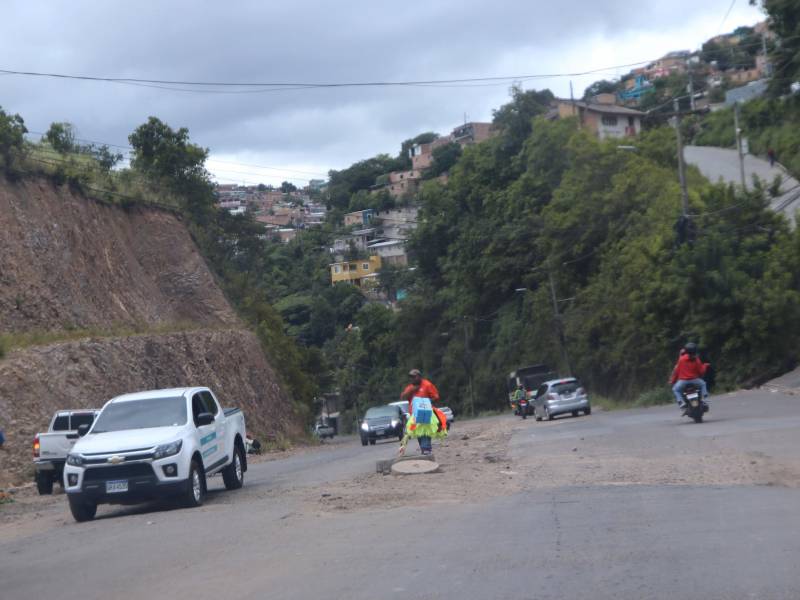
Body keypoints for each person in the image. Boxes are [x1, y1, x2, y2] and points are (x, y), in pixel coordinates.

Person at [399, 369, 445, 455]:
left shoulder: (427, 384)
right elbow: (403, 396)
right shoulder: (410, 387)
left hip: (425, 414)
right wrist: (411, 390)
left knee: (425, 433)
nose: (412, 379)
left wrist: (426, 402)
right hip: (414, 417)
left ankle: (427, 451)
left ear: (419, 376)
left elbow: (436, 397)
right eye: (411, 377)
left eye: (414, 377)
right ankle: (425, 451)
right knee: (419, 435)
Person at [670, 343, 709, 408]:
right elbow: (701, 372)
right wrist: (705, 366)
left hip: (683, 381)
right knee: (703, 384)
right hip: (695, 380)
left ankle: (681, 402)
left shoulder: (681, 360)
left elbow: (676, 372)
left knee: (675, 389)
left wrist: (673, 381)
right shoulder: (697, 360)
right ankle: (705, 400)